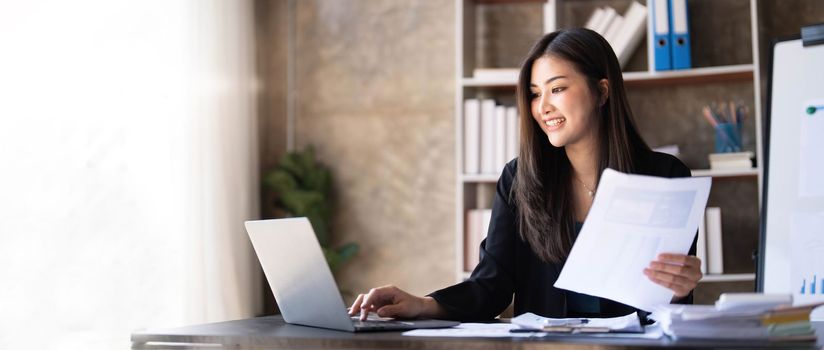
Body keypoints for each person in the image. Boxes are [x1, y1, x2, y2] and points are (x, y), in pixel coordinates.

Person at [348, 28, 702, 322]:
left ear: (602, 91)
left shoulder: (665, 177)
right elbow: (491, 287)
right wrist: (421, 304)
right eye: (535, 94)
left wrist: (682, 288)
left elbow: (669, 304)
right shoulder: (520, 180)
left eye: (558, 89)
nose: (543, 107)